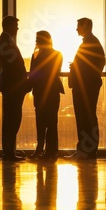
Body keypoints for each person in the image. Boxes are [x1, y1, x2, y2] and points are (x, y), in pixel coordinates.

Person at [67, 17, 105, 159]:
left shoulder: (90, 43)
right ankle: (87, 149)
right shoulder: (92, 42)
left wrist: (76, 68)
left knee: (85, 117)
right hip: (87, 86)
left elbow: (94, 64)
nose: (77, 29)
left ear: (86, 26)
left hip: (85, 86)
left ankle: (85, 150)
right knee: (87, 117)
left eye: (79, 26)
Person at [0, 16, 31, 162]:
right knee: (12, 118)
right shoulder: (5, 42)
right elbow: (12, 68)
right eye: (15, 25)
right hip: (13, 87)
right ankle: (9, 152)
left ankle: (9, 150)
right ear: (9, 25)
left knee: (12, 118)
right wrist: (23, 83)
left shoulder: (5, 40)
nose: (17, 28)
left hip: (12, 86)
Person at [29, 30, 64, 160]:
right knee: (51, 121)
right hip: (51, 92)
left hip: (40, 91)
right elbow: (54, 72)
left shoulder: (36, 55)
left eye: (37, 39)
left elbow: (33, 73)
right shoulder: (57, 54)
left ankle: (41, 149)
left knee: (41, 121)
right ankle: (51, 150)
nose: (36, 41)